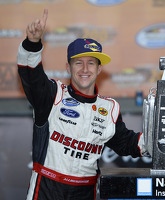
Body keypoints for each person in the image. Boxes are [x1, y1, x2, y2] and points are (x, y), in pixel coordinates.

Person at [17, 9, 148, 200]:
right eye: (78, 63)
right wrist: (32, 43)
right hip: (46, 189)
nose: (85, 69)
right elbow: (31, 75)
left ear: (99, 68)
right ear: (68, 67)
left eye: (91, 63)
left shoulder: (109, 108)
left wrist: (159, 139)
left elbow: (126, 143)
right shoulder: (52, 95)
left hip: (85, 191)